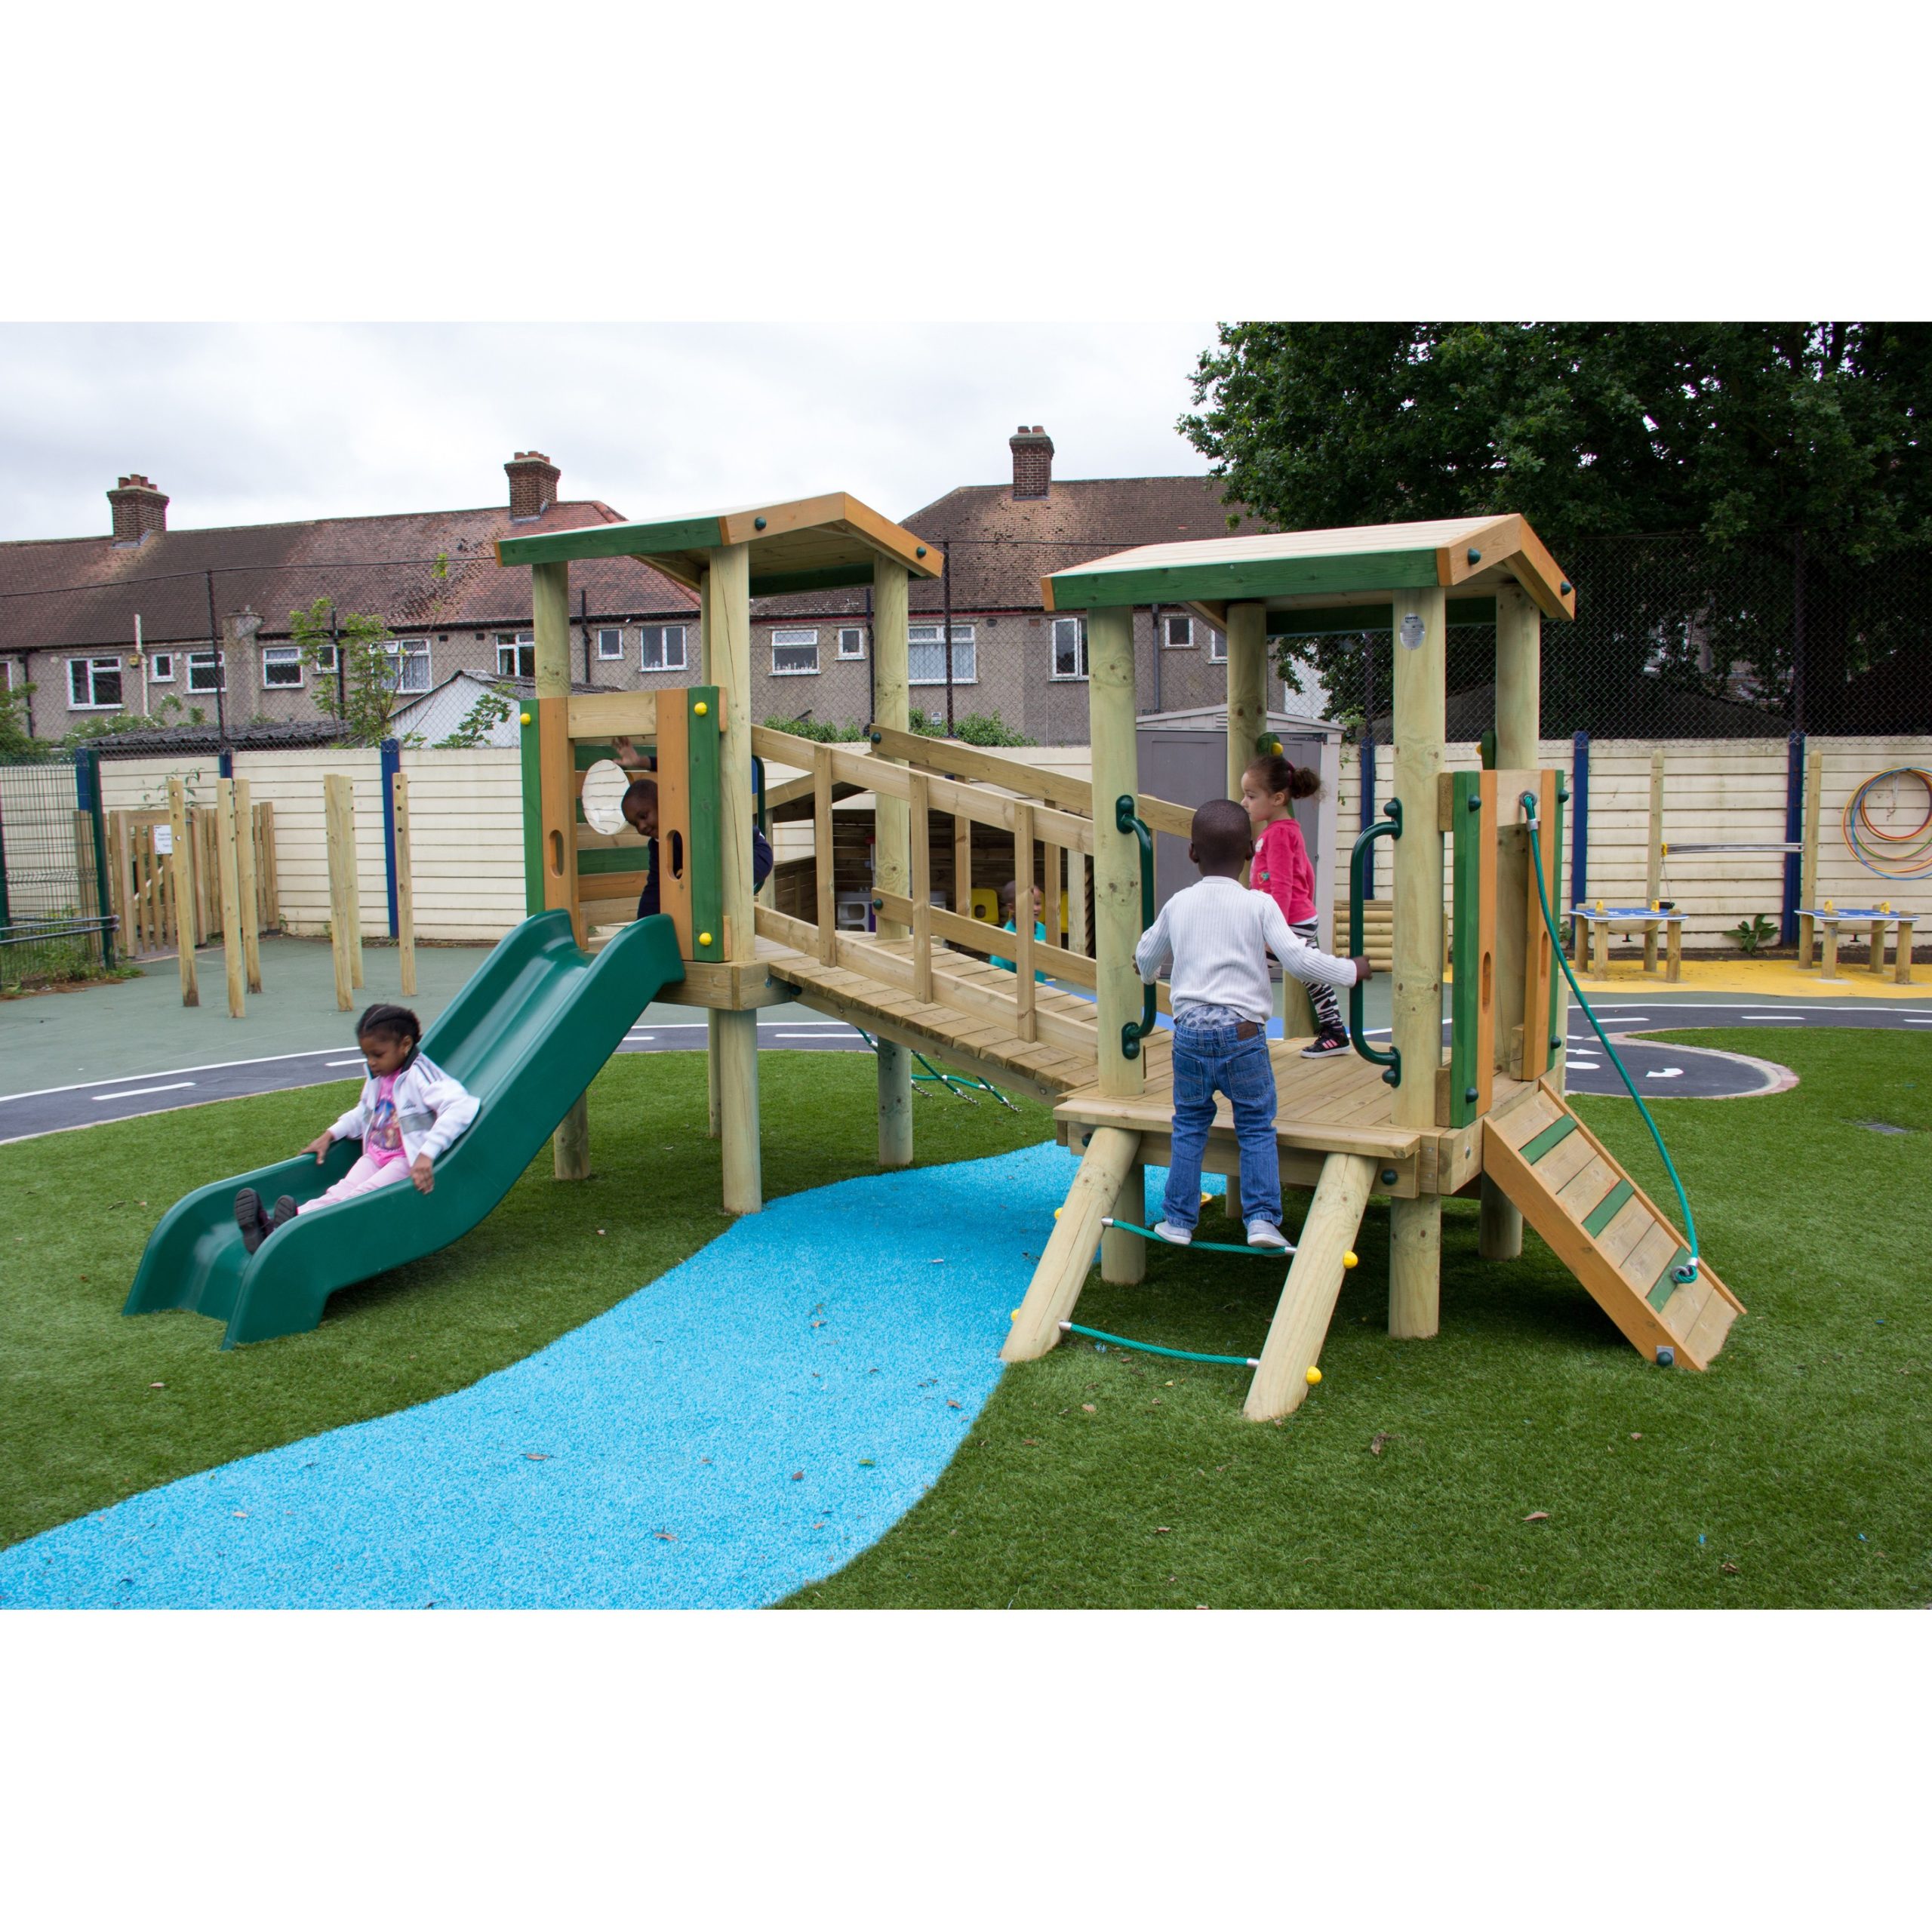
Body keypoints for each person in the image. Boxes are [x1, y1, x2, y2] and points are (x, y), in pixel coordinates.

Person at [1134, 798, 1370, 1251]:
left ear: (1192, 853)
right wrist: (1351, 971)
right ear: (1250, 852)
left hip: (1189, 1034)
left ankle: (1179, 1220)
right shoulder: (1258, 905)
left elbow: (1147, 955)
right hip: (1243, 1034)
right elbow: (1299, 961)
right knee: (1256, 1124)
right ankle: (1262, 1219)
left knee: (1189, 1123)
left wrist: (1146, 975)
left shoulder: (1179, 904)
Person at [232, 1004, 479, 1254]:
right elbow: (364, 1114)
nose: (371, 1062)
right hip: (376, 1156)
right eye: (367, 1055)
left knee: (359, 1197)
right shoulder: (379, 1077)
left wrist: (427, 1154)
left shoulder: (421, 1075)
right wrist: (330, 1134)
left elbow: (461, 1105)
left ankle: (298, 1234)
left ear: (405, 1045)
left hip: (405, 1161)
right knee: (337, 1192)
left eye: (378, 1055)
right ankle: (275, 1229)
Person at [1241, 751, 1349, 1057]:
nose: (1244, 803)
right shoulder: (1287, 830)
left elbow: (1283, 885)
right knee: (1311, 974)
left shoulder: (1277, 835)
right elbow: (1306, 874)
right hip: (1299, 918)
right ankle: (1335, 1032)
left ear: (1276, 798)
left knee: (1251, 970)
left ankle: (1248, 1034)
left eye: (1251, 796)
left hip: (1287, 922)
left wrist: (1275, 930)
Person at [620, 775, 772, 921]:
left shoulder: (690, 819)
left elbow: (736, 832)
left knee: (701, 881)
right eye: (635, 824)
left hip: (753, 851)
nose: (641, 827)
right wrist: (643, 923)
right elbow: (655, 886)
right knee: (690, 885)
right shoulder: (658, 845)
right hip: (713, 871)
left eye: (643, 816)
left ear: (661, 803)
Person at [989, 878, 1048, 980]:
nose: (1036, 909)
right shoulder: (1006, 941)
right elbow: (997, 974)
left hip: (1041, 991)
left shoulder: (1042, 929)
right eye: (1028, 904)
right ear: (1012, 908)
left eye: (1038, 903)